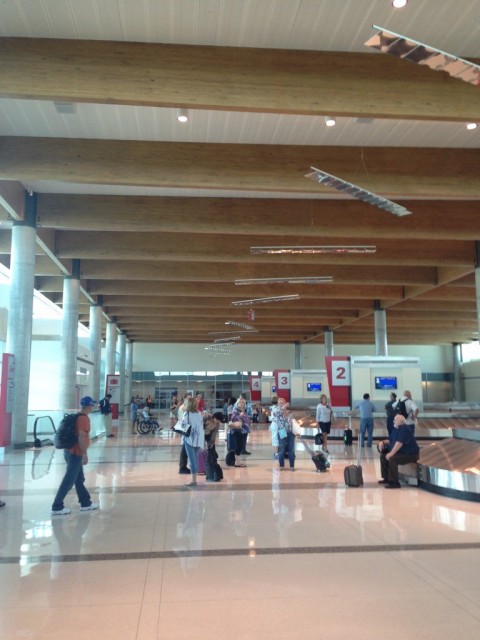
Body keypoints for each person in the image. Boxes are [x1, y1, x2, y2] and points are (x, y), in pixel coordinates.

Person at [51, 396, 99, 515]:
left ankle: (85, 503)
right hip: (76, 453)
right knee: (69, 480)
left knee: (79, 479)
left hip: (69, 451)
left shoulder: (77, 416)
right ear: (89, 406)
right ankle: (57, 506)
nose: (93, 407)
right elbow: (82, 436)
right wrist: (84, 454)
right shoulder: (83, 419)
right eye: (92, 405)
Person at [378, 414, 420, 489]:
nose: (393, 421)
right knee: (383, 456)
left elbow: (399, 443)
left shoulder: (404, 429)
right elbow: (391, 440)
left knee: (393, 458)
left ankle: (394, 482)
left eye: (395, 420)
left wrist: (391, 453)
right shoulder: (396, 429)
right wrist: (382, 442)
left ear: (400, 421)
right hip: (402, 453)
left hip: (410, 454)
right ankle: (386, 478)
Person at [180, 396, 205, 487]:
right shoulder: (199, 413)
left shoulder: (186, 413)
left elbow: (183, 426)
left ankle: (193, 480)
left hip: (189, 439)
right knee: (195, 458)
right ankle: (195, 478)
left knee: (191, 460)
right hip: (198, 440)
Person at [229, 397, 251, 467]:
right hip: (238, 430)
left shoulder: (244, 410)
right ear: (237, 404)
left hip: (244, 431)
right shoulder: (235, 411)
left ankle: (238, 461)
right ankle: (237, 463)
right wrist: (239, 416)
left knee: (241, 446)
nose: (241, 404)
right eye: (240, 403)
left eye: (242, 403)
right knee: (238, 446)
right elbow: (232, 419)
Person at [275, 398, 296, 471]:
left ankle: (292, 466)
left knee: (291, 450)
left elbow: (292, 422)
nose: (281, 404)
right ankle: (281, 465)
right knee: (282, 450)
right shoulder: (277, 411)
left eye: (283, 402)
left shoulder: (290, 412)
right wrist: (284, 407)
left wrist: (296, 431)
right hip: (282, 432)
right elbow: (278, 413)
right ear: (278, 404)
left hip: (290, 432)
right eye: (280, 403)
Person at [177, 393, 192, 474]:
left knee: (186, 449)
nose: (190, 400)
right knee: (184, 449)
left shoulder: (188, 408)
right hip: (185, 430)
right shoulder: (183, 408)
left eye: (191, 399)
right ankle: (182, 467)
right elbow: (183, 421)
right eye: (188, 399)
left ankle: (184, 466)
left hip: (188, 430)